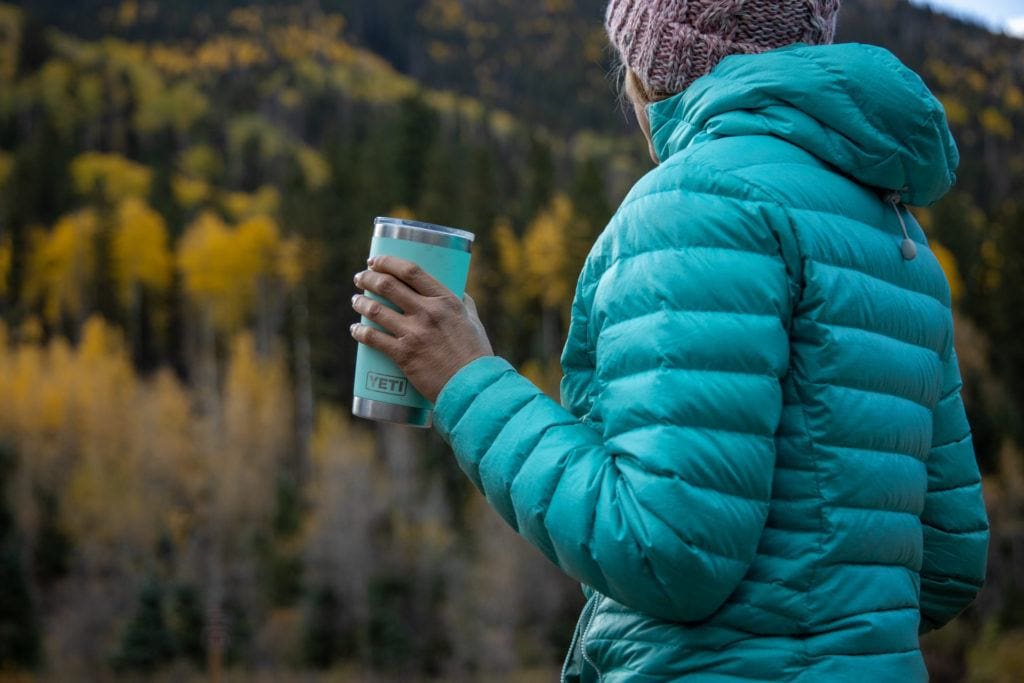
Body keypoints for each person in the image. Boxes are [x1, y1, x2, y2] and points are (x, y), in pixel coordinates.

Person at [349, 0, 990, 679]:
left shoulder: (696, 203)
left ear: (655, 66)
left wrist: (465, 381)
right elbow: (948, 561)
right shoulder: (896, 233)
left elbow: (662, 551)